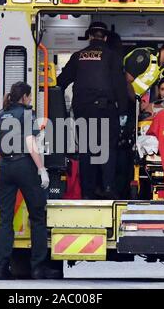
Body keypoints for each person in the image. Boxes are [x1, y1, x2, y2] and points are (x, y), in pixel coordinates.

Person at [0, 81, 61, 280]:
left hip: (5, 167)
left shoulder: (0, 114)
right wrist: (41, 169)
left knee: (5, 219)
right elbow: (30, 143)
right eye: (30, 96)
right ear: (24, 97)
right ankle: (38, 267)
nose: (30, 100)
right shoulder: (26, 113)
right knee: (37, 216)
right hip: (24, 165)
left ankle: (2, 268)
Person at [57, 22, 129, 199]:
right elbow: (120, 86)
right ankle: (108, 188)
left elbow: (61, 82)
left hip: (83, 111)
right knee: (106, 150)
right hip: (106, 110)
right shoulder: (112, 57)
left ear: (89, 36)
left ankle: (87, 193)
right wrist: (123, 112)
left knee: (87, 152)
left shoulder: (78, 56)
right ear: (105, 37)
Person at [124, 34, 164, 103]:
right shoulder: (145, 57)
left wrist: (152, 105)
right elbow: (125, 81)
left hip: (135, 103)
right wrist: (138, 102)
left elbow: (154, 89)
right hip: (123, 101)